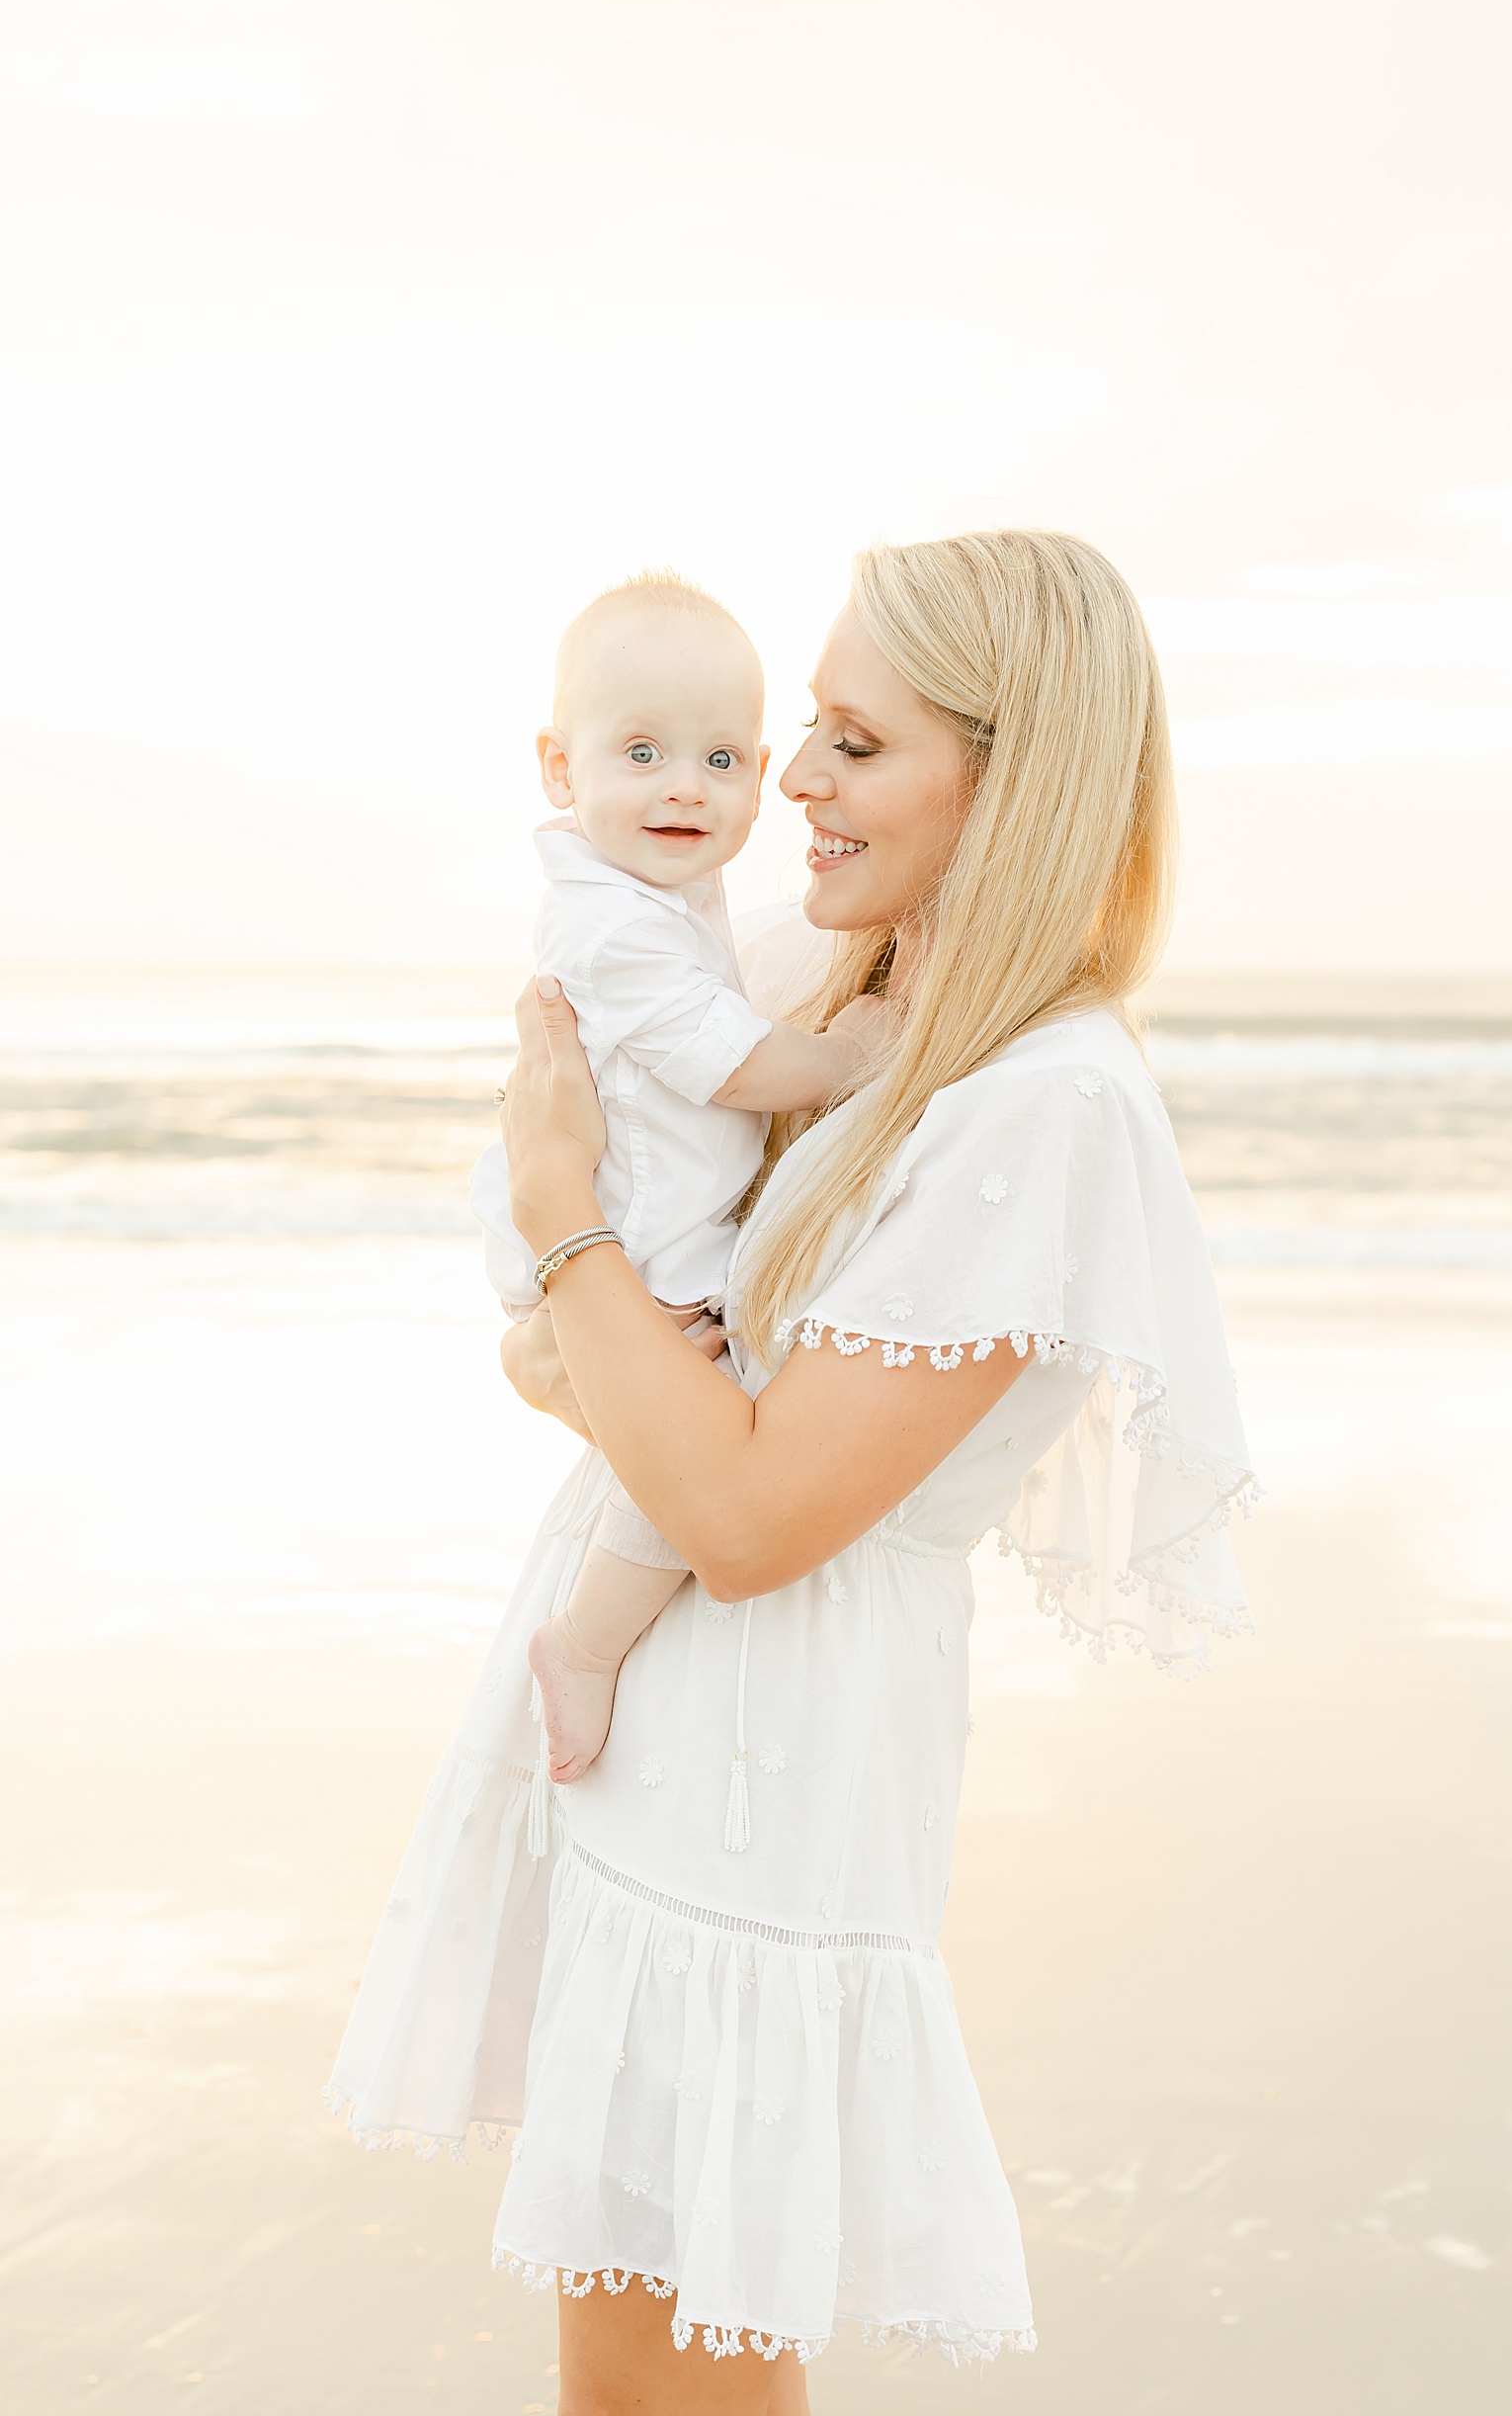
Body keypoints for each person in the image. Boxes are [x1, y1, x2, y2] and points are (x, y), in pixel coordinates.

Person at [328, 529, 1254, 2415]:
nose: (788, 789)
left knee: (679, 2372)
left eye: (847, 741)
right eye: (798, 738)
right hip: (638, 1713)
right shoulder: (800, 982)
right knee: (625, 2360)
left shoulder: (1044, 1099)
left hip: (773, 1762)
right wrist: (566, 1304)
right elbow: (578, 1346)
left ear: (1011, 776)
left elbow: (747, 1513)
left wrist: (558, 1216)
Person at [469, 573, 887, 1791]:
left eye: (717, 759)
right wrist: (848, 1056)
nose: (682, 788)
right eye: (640, 752)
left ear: (759, 775)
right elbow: (730, 1064)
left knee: (702, 1416)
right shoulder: (610, 925)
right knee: (716, 1415)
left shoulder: (665, 895)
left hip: (649, 1219)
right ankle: (589, 1643)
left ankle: (591, 1632)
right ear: (560, 768)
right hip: (644, 1237)